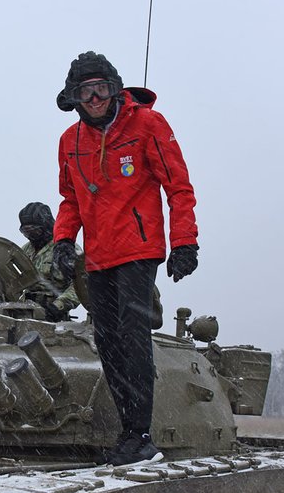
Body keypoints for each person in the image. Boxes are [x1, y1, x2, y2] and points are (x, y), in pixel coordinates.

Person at [51, 52, 199, 465]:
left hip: (138, 248)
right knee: (108, 342)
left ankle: (142, 435)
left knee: (133, 338)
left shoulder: (148, 125)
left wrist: (184, 241)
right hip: (97, 257)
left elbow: (178, 187)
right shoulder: (69, 141)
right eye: (86, 91)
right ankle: (127, 433)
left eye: (101, 88)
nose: (95, 98)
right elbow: (70, 199)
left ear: (115, 88)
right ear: (74, 97)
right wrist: (64, 241)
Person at [17, 201, 80, 322]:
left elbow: (81, 285)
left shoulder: (65, 250)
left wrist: (58, 306)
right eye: (26, 232)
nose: (30, 236)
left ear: (46, 226)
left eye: (34, 231)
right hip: (25, 312)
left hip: (55, 316)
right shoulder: (24, 250)